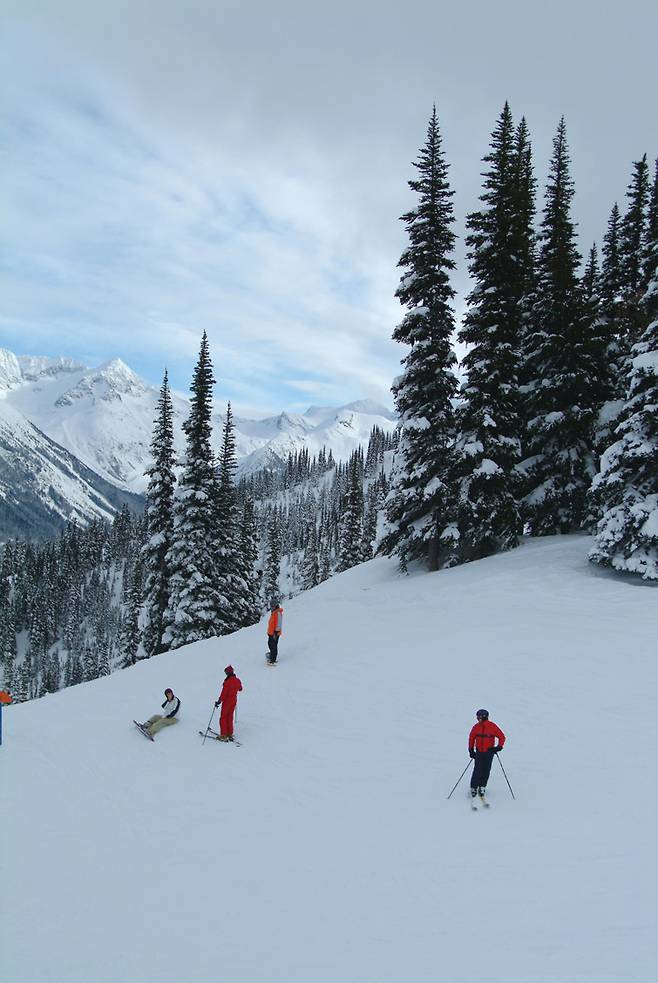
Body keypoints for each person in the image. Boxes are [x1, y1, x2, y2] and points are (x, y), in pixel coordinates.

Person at [468, 708, 505, 798]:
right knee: (477, 769)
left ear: (484, 717)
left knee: (486, 770)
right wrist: (471, 749)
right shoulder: (476, 727)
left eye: (479, 717)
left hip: (489, 752)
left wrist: (499, 746)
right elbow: (471, 738)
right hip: (479, 752)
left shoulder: (492, 726)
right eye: (477, 717)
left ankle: (482, 786)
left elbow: (502, 736)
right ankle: (474, 787)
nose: (478, 719)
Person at [215, 666, 243, 741]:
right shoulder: (237, 680)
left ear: (228, 673)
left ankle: (223, 735)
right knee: (230, 716)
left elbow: (224, 693)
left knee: (223, 717)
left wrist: (219, 701)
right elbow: (240, 689)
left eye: (226, 672)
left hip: (227, 701)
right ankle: (229, 733)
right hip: (234, 700)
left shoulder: (227, 682)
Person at [266, 600, 284, 664]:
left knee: (273, 646)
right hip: (271, 633)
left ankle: (273, 660)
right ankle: (271, 655)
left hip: (274, 633)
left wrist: (275, 633)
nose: (271, 607)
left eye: (273, 606)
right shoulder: (274, 612)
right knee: (270, 644)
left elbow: (278, 624)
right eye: (271, 606)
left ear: (276, 606)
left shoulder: (278, 613)